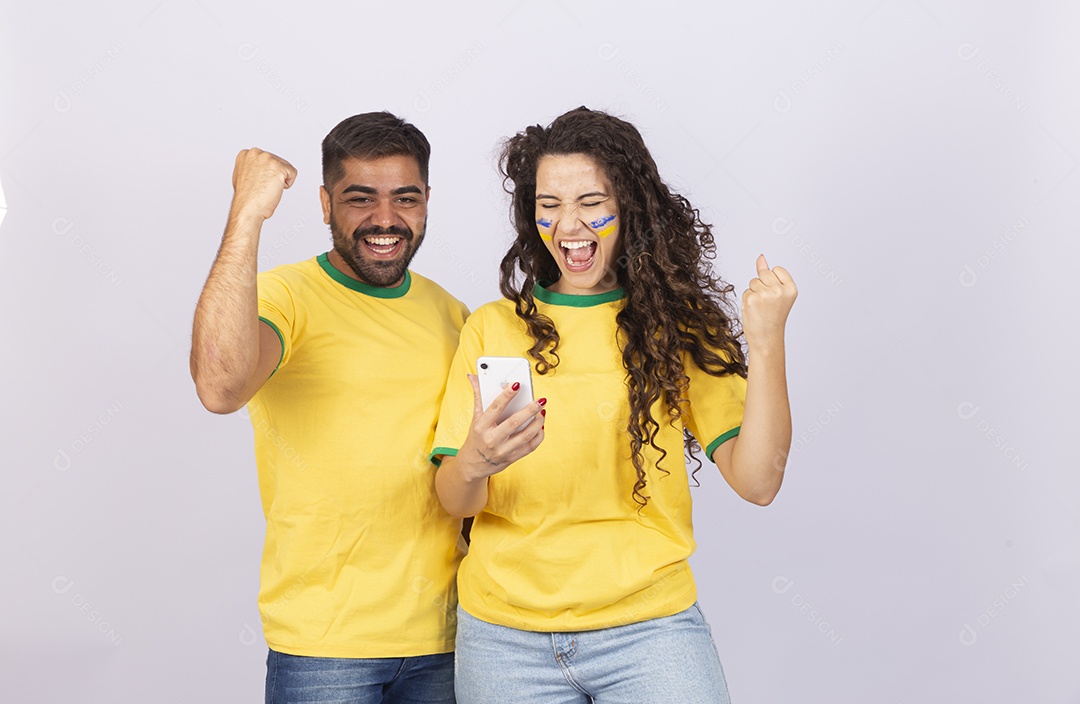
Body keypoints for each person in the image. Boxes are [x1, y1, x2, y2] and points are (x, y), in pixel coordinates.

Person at [431, 107, 797, 703]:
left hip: (649, 629)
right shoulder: (493, 328)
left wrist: (767, 341)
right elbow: (454, 499)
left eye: (590, 201)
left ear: (630, 207)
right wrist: (474, 461)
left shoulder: (674, 326)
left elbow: (759, 481)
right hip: (504, 640)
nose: (569, 225)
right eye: (548, 205)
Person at [190, 112, 467, 704]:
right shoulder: (285, 297)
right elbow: (219, 386)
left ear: (426, 203)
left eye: (405, 198)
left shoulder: (454, 315)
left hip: (450, 639)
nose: (385, 219)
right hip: (324, 646)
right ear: (324, 204)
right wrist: (247, 213)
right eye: (359, 198)